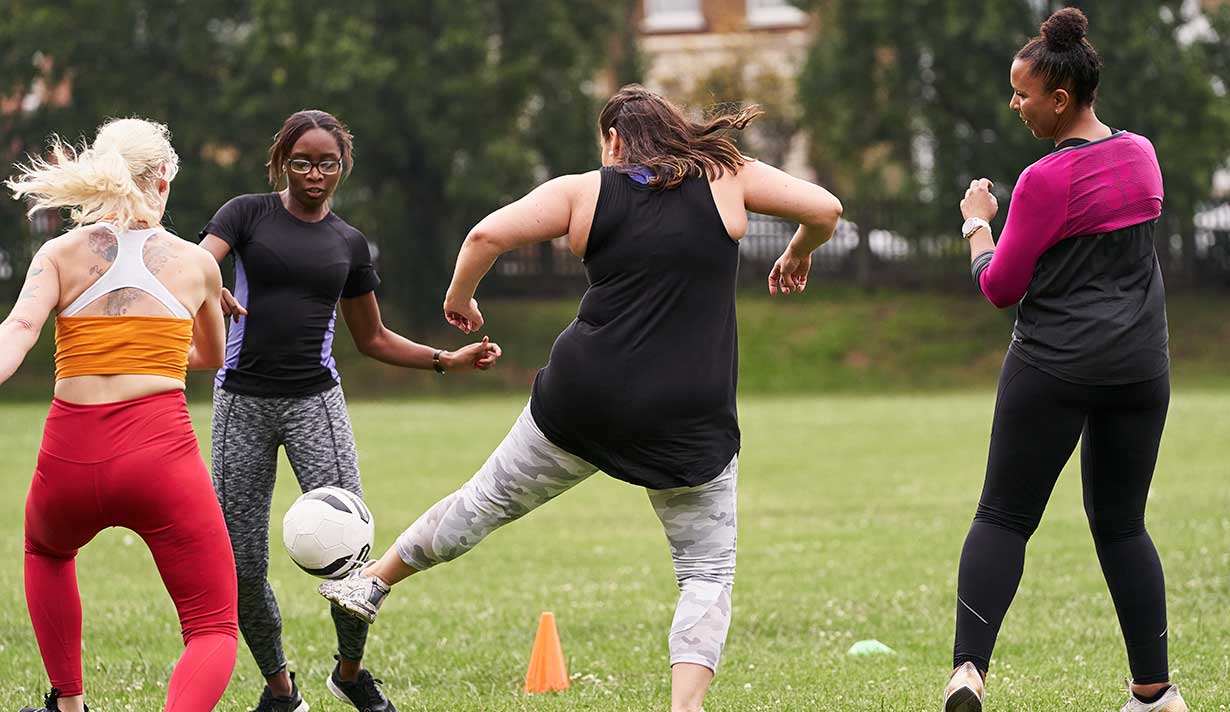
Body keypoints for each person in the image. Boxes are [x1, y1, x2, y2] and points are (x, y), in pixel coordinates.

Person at [318, 84, 843, 712]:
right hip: (688, 414)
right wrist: (794, 251)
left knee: (485, 500)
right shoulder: (727, 174)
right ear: (674, 131)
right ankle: (686, 707)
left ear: (615, 141)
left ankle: (375, 581)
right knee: (705, 570)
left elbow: (485, 236)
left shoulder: (584, 191)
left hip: (585, 397)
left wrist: (459, 300)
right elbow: (826, 208)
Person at [198, 109, 501, 712]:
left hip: (317, 403)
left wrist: (448, 361)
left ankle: (350, 673)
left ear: (342, 167)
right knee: (240, 564)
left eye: (327, 162)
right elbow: (196, 262)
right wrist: (209, 279)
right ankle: (280, 688)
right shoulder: (246, 214)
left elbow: (374, 338)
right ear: (284, 161)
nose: (315, 172)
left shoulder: (347, 242)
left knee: (352, 555)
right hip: (241, 405)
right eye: (303, 161)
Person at [944, 8, 1187, 712]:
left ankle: (968, 673)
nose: (1014, 105)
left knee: (1002, 517)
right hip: (1141, 368)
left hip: (1054, 366)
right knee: (1122, 524)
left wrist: (978, 223)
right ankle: (1154, 694)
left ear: (1060, 98)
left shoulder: (1046, 180)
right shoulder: (1142, 154)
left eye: (1022, 94)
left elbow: (999, 287)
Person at [3, 118, 237, 712]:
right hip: (160, 456)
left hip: (69, 456)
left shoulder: (58, 253)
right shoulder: (196, 264)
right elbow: (209, 355)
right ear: (162, 179)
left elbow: (20, 330)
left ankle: (70, 704)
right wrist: (153, 344)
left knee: (47, 551)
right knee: (212, 628)